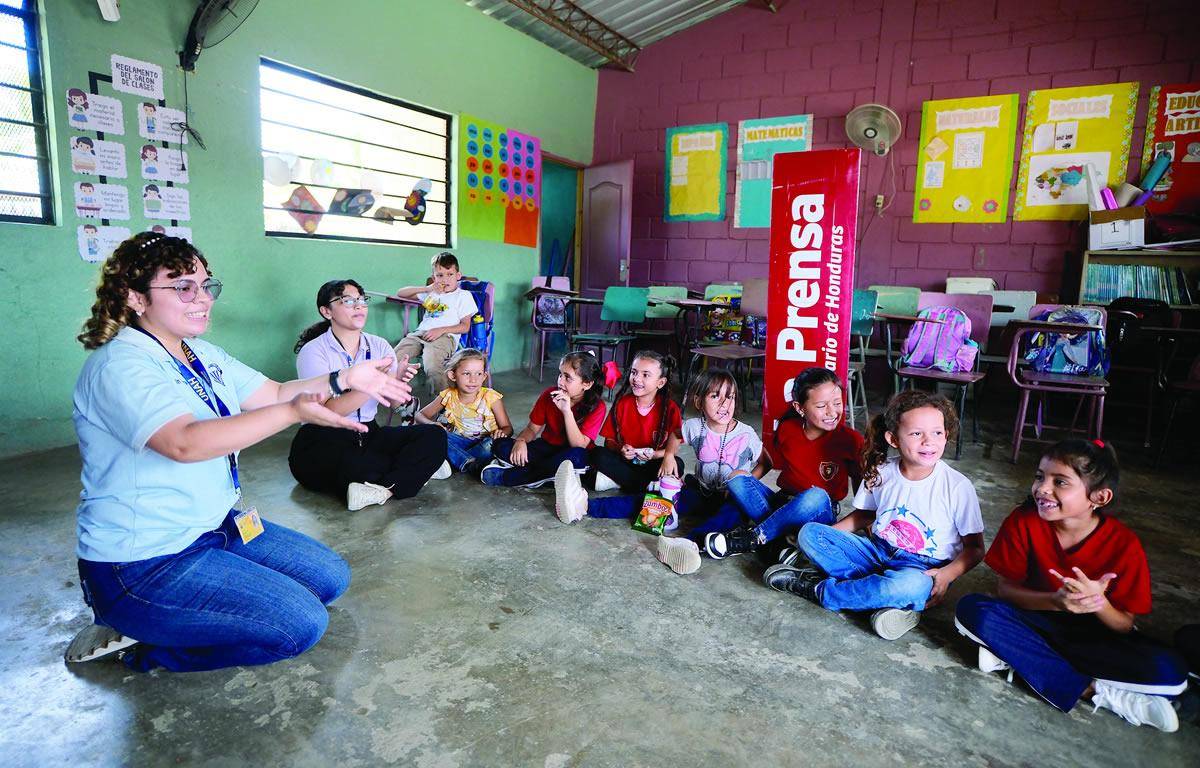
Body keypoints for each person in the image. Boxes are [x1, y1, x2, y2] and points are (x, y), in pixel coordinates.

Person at [64, 233, 411, 672]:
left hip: (216, 526)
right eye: (183, 287)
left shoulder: (201, 353)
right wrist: (292, 412)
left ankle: (193, 609)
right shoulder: (120, 365)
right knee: (301, 625)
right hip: (145, 562)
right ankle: (146, 644)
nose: (203, 299)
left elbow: (276, 392)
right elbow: (184, 442)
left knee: (330, 579)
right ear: (136, 297)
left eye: (206, 285)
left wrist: (345, 379)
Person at [954, 439, 1188, 732]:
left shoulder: (1124, 545)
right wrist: (1055, 601)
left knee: (1170, 672)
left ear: (1099, 497)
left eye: (1060, 482)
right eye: (1040, 476)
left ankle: (1020, 658)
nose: (1042, 488)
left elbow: (1123, 625)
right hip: (1035, 620)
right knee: (974, 610)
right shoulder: (1024, 521)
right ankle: (1092, 690)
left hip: (1093, 635)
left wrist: (1098, 603)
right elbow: (1005, 590)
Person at [764, 390, 985, 641]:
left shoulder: (957, 486)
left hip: (922, 568)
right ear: (893, 439)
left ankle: (820, 589)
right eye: (916, 434)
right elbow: (864, 516)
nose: (928, 441)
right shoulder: (882, 472)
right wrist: (825, 538)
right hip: (875, 552)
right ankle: (886, 602)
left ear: (946, 434)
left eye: (937, 432)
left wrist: (948, 574)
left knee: (908, 587)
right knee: (809, 533)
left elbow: (975, 548)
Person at [289, 279, 450, 511]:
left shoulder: (379, 346)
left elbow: (394, 404)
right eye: (347, 300)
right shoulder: (313, 351)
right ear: (326, 311)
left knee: (434, 436)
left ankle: (383, 490)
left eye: (361, 300)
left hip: (368, 433)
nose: (358, 306)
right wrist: (374, 383)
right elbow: (327, 411)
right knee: (357, 466)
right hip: (323, 437)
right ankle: (413, 472)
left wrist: (397, 383)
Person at [704, 368, 864, 561]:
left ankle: (754, 538)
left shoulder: (851, 440)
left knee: (816, 495)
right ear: (800, 408)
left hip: (817, 510)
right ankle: (779, 544)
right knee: (736, 478)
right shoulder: (787, 429)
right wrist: (740, 492)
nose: (832, 411)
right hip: (781, 503)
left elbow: (860, 482)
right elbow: (768, 462)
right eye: (822, 406)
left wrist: (867, 522)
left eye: (837, 403)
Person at [642, 371, 767, 575]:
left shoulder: (746, 434)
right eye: (715, 396)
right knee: (656, 500)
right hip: (702, 492)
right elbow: (676, 435)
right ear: (699, 402)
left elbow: (766, 462)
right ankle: (589, 505)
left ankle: (689, 544)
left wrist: (744, 486)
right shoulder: (695, 426)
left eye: (730, 396)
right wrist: (669, 455)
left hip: (730, 499)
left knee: (732, 515)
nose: (724, 404)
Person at [552, 350, 684, 522]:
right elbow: (608, 442)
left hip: (652, 464)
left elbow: (674, 443)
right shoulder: (623, 403)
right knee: (597, 454)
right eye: (634, 372)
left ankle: (622, 482)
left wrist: (660, 455)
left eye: (645, 375)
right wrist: (621, 449)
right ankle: (647, 486)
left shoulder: (671, 408)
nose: (637, 379)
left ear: (661, 382)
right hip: (624, 462)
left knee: (677, 464)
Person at [482, 351, 605, 488]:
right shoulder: (549, 395)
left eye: (568, 378)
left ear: (587, 384)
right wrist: (520, 441)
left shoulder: (597, 407)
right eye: (560, 374)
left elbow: (578, 445)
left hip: (571, 453)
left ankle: (509, 477)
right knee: (500, 445)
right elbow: (532, 429)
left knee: (576, 457)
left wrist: (566, 411)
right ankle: (548, 476)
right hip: (546, 448)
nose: (560, 381)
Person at [416, 347, 511, 475]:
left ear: (484, 376)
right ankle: (469, 463)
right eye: (467, 373)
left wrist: (501, 433)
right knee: (434, 434)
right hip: (460, 442)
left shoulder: (491, 397)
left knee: (492, 445)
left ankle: (457, 461)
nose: (473, 379)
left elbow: (508, 428)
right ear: (453, 375)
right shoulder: (448, 395)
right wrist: (433, 424)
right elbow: (420, 415)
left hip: (485, 444)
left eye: (478, 374)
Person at [392, 252, 479, 394]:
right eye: (440, 275)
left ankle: (444, 404)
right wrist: (427, 288)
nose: (445, 279)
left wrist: (440, 330)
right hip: (420, 334)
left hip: (445, 336)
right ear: (434, 278)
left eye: (450, 274)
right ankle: (392, 397)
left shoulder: (463, 296)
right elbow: (400, 293)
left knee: (433, 368)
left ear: (458, 275)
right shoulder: (432, 293)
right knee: (391, 359)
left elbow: (465, 326)